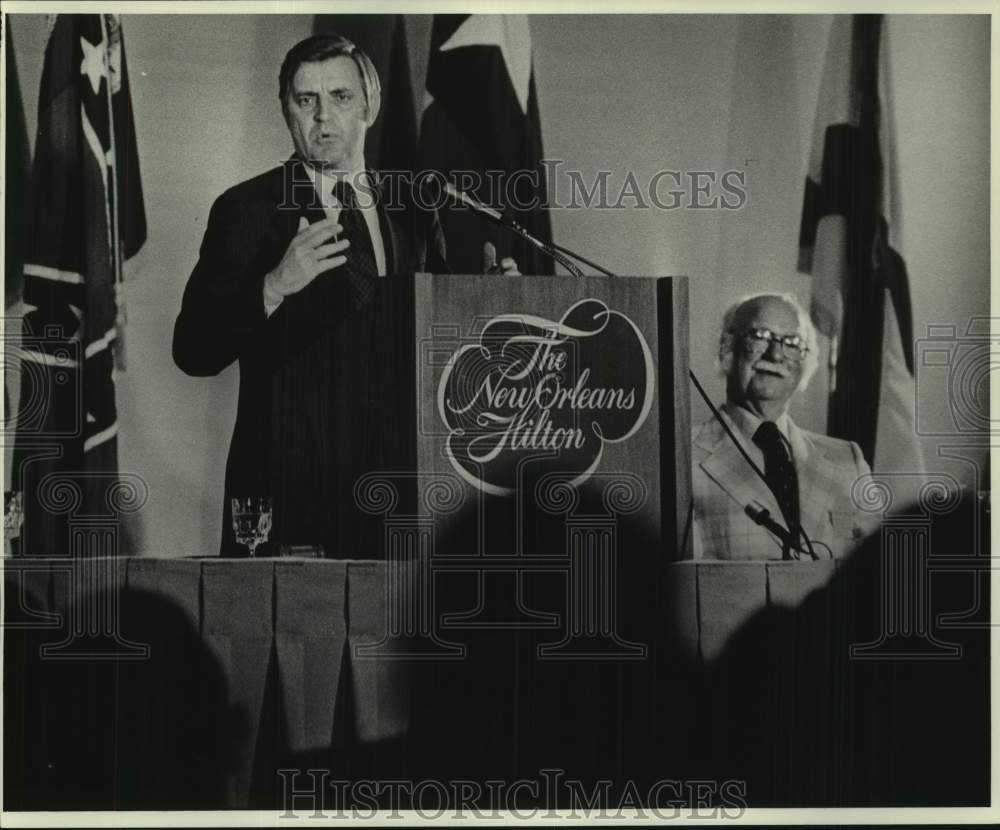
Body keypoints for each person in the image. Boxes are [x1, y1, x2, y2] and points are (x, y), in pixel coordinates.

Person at [174, 34, 515, 556]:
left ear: (370, 107)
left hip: (403, 483)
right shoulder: (248, 209)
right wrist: (272, 287)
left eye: (340, 97)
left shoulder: (412, 209)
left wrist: (483, 307)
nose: (322, 117)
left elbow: (439, 338)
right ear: (285, 109)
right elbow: (193, 350)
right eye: (305, 99)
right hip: (289, 487)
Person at [691, 292, 878, 560]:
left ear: (805, 364)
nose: (776, 354)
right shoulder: (681, 458)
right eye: (760, 336)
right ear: (728, 347)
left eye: (792, 343)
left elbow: (878, 570)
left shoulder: (848, 461)